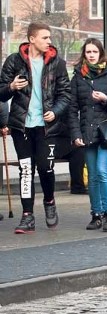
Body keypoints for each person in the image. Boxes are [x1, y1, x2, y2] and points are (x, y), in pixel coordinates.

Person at [0, 22, 71, 234]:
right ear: (32, 39)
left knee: (45, 168)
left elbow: (65, 94)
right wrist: (11, 87)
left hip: (47, 128)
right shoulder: (14, 61)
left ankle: (49, 201)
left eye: (50, 38)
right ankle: (27, 216)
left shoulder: (57, 63)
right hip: (21, 127)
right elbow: (1, 93)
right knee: (26, 170)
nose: (49, 41)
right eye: (45, 38)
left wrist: (55, 111)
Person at [69, 38, 107, 231]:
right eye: (88, 52)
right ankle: (96, 214)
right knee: (92, 175)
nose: (91, 55)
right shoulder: (78, 76)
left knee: (102, 172)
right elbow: (72, 109)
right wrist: (76, 133)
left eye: (94, 51)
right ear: (84, 54)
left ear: (101, 53)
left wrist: (105, 99)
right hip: (87, 132)